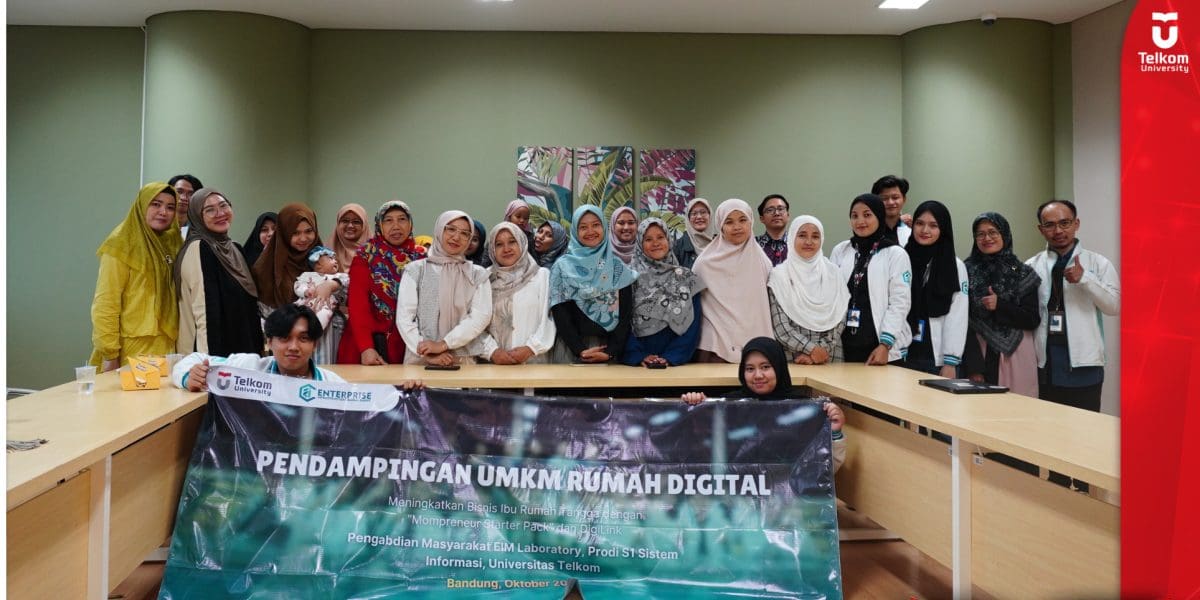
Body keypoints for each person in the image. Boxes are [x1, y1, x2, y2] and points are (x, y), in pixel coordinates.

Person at [680, 337, 846, 472]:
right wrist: (696, 407)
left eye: (765, 367)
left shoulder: (802, 409)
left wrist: (834, 433)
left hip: (786, 500)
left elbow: (824, 471)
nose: (758, 375)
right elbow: (698, 457)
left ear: (779, 367)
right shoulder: (728, 406)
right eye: (750, 369)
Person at [1026, 200, 1120, 410]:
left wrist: (1085, 279)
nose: (1058, 231)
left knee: (1085, 427)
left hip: (1084, 366)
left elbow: (1114, 306)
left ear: (1076, 224)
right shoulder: (1031, 266)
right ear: (1041, 229)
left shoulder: (1098, 263)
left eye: (1064, 223)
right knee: (1047, 426)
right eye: (1049, 225)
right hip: (1045, 365)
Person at [90, 182, 183, 370]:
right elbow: (106, 302)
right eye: (155, 204)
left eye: (170, 207)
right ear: (142, 205)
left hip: (169, 345)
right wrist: (110, 353)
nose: (163, 212)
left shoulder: (173, 242)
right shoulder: (122, 242)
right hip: (131, 347)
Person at [174, 188, 263, 357]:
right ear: (197, 217)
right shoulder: (200, 247)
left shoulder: (234, 248)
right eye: (209, 210)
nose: (220, 213)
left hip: (242, 350)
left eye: (223, 205)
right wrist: (208, 363)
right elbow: (204, 310)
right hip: (214, 353)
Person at [397, 210, 493, 365]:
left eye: (465, 233)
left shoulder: (477, 274)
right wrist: (425, 350)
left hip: (461, 359)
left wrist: (444, 344)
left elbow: (480, 317)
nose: (456, 237)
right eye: (451, 229)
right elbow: (404, 317)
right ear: (440, 229)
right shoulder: (415, 270)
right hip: (420, 358)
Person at [961, 212, 1041, 397]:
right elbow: (960, 320)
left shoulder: (1022, 272)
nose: (987, 238)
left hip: (1016, 354)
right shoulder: (964, 271)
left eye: (993, 232)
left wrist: (1000, 306)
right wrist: (974, 365)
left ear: (1004, 234)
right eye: (980, 234)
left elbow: (1032, 319)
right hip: (977, 351)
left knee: (1016, 409)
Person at [337, 201, 427, 365]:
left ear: (410, 223)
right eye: (388, 220)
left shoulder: (421, 258)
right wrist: (366, 347)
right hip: (368, 343)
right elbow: (358, 305)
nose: (396, 226)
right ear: (379, 224)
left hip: (409, 344)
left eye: (402, 219)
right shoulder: (366, 256)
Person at [829, 193, 912, 365]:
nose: (860, 221)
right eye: (854, 216)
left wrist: (885, 345)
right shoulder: (841, 250)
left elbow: (900, 303)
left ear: (879, 217)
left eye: (867, 215)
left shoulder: (895, 254)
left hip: (881, 349)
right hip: (845, 346)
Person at [548, 205, 638, 364]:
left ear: (604, 227)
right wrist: (579, 349)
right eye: (583, 227)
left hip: (609, 350)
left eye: (596, 225)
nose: (590, 231)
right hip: (570, 350)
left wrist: (610, 352)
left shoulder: (617, 267)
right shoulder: (561, 267)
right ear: (575, 231)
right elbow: (560, 313)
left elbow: (625, 316)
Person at [693, 199, 773, 363]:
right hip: (715, 348)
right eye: (729, 222)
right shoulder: (704, 264)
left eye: (743, 220)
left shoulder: (763, 262)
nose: (737, 227)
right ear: (720, 226)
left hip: (756, 343)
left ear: (751, 222)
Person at [623, 218, 706, 368]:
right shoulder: (629, 278)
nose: (656, 243)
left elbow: (693, 324)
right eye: (648, 239)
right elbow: (622, 323)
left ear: (669, 239)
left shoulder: (686, 278)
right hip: (638, 363)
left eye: (660, 237)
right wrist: (638, 355)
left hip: (676, 363)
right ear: (640, 244)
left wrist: (672, 356)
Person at [768, 216, 850, 365]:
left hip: (829, 356)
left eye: (815, 236)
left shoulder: (834, 273)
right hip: (794, 357)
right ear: (792, 237)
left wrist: (823, 349)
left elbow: (840, 316)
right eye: (802, 235)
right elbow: (780, 327)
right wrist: (812, 350)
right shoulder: (779, 276)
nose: (809, 242)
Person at [902, 200, 968, 378]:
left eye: (933, 225)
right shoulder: (902, 258)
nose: (925, 230)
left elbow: (958, 316)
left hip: (935, 358)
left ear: (943, 229)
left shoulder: (955, 266)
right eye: (919, 223)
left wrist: (950, 362)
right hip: (902, 353)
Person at [476, 222, 556, 364]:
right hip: (495, 365)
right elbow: (475, 322)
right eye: (499, 244)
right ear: (492, 250)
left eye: (512, 242)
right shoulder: (485, 279)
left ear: (522, 242)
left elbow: (549, 320)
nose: (506, 249)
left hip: (534, 361)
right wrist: (492, 351)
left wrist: (530, 348)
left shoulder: (541, 276)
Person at [253, 203, 334, 316]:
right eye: (295, 233)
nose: (303, 238)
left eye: (308, 231)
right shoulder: (264, 268)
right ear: (284, 234)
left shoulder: (324, 259)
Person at [293, 246, 349, 329]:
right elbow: (298, 285)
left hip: (325, 305)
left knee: (323, 315)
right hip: (304, 303)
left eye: (335, 259)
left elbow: (347, 281)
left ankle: (315, 331)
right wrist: (305, 291)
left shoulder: (338, 276)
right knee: (292, 314)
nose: (336, 261)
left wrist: (334, 284)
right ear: (318, 265)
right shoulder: (307, 275)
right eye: (331, 259)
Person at [871, 175, 912, 246]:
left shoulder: (912, 231)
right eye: (884, 198)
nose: (890, 202)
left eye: (895, 197)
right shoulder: (870, 231)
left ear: (904, 199)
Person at [674, 198, 714, 269]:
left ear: (710, 215)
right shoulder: (677, 247)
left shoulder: (719, 244)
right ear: (688, 218)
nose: (699, 217)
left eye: (703, 212)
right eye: (694, 213)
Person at [328, 203, 369, 273]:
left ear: (364, 226)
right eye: (345, 221)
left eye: (356, 222)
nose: (350, 226)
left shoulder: (375, 252)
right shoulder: (324, 253)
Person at [756, 194, 790, 266]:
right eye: (770, 210)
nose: (776, 213)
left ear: (788, 216)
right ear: (762, 218)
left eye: (780, 209)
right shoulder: (753, 245)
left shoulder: (797, 243)